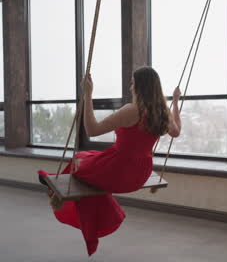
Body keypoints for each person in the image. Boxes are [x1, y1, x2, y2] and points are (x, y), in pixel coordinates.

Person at [37, 66, 181, 256]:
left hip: (118, 170)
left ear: (138, 86)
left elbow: (92, 130)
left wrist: (88, 95)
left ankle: (57, 195)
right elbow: (176, 131)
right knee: (85, 159)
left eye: (132, 83)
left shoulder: (131, 111)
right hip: (140, 173)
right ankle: (59, 195)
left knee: (79, 162)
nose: (131, 87)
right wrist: (176, 101)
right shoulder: (162, 113)